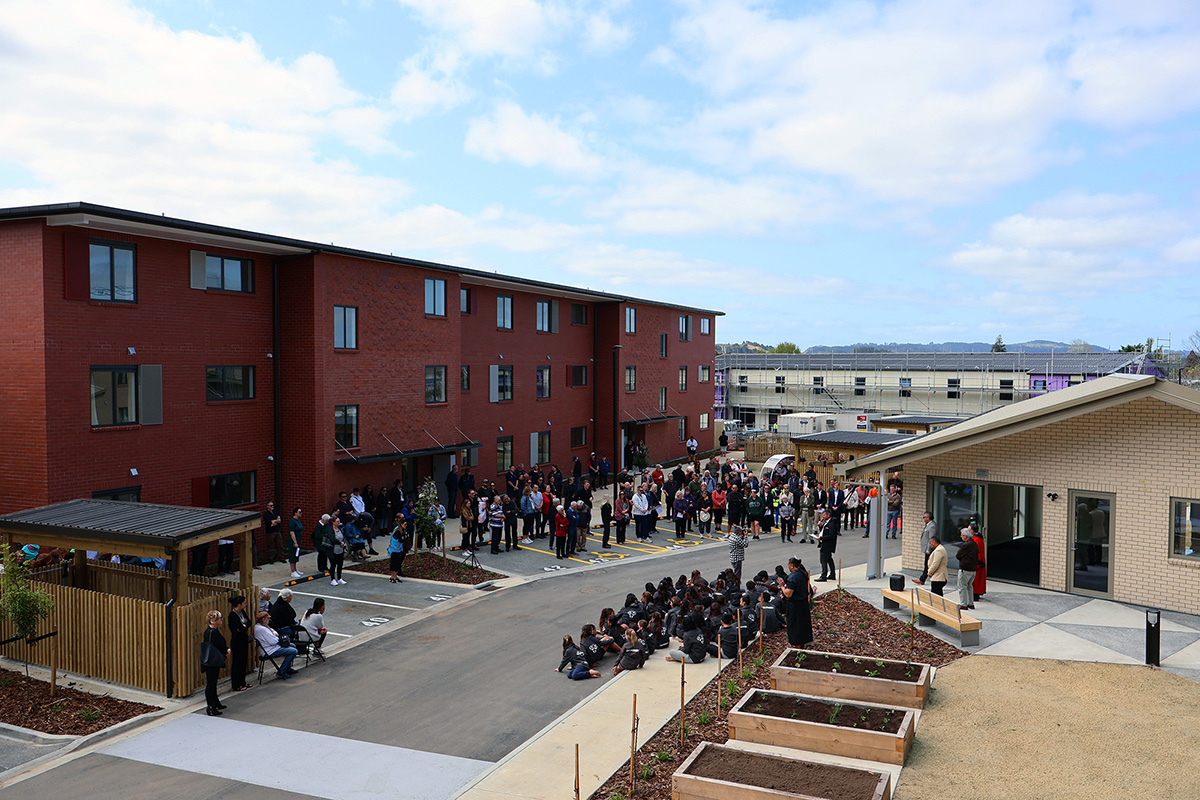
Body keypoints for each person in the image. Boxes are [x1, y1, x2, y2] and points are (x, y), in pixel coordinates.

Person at [778, 556, 814, 646]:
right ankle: (802, 646)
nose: (788, 568)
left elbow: (788, 594)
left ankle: (797, 647)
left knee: (795, 627)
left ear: (792, 566)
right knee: (803, 625)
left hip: (795, 606)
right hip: (804, 603)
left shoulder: (792, 577)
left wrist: (782, 586)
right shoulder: (803, 573)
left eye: (788, 566)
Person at [254, 611, 299, 680]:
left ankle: (287, 668)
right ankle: (282, 671)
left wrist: (274, 635)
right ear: (263, 619)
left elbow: (275, 632)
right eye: (268, 618)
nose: (269, 620)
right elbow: (273, 641)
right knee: (293, 651)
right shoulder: (262, 629)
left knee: (292, 645)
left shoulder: (262, 626)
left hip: (271, 647)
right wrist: (275, 636)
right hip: (270, 650)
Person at [200, 610, 229, 716]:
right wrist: (226, 650)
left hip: (209, 660)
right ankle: (211, 706)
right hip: (212, 661)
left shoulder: (208, 631)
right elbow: (220, 644)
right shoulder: (214, 633)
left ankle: (216, 702)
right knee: (211, 683)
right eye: (220, 618)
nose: (221, 620)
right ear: (214, 620)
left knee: (213, 682)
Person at [227, 595, 252, 692]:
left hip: (243, 640)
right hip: (237, 641)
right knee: (237, 663)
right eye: (244, 603)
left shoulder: (242, 612)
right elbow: (238, 628)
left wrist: (244, 625)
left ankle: (243, 681)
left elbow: (248, 622)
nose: (245, 604)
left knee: (243, 662)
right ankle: (236, 684)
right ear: (239, 604)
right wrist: (243, 626)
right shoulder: (232, 615)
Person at [956, 524, 980, 609]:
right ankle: (970, 603)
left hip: (965, 569)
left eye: (962, 535)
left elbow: (958, 555)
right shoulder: (974, 544)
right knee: (970, 586)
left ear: (965, 536)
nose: (961, 537)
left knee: (962, 586)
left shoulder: (966, 545)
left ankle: (964, 604)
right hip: (972, 569)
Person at [914, 511, 936, 585]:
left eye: (924, 517)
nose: (923, 519)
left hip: (929, 549)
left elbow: (931, 538)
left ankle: (922, 579)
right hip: (927, 549)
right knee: (927, 564)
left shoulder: (932, 526)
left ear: (928, 518)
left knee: (927, 564)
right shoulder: (928, 525)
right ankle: (923, 578)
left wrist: (928, 549)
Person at [815, 510, 837, 582]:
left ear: (828, 515)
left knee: (823, 560)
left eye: (824, 515)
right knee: (829, 559)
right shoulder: (826, 523)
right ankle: (832, 574)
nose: (823, 517)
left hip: (827, 544)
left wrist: (821, 538)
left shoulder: (832, 523)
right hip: (824, 543)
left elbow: (831, 535)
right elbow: (824, 531)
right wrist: (820, 526)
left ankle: (823, 575)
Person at [262, 501, 283, 565]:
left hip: (277, 531)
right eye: (271, 505)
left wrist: (274, 521)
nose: (272, 506)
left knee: (280, 545)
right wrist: (275, 521)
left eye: (273, 505)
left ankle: (281, 557)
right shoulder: (266, 515)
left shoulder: (276, 512)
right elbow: (269, 523)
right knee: (270, 546)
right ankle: (270, 559)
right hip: (270, 532)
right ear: (267, 506)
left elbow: (280, 520)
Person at [388, 518, 408, 583]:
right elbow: (401, 540)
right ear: (401, 524)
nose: (406, 526)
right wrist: (403, 538)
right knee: (394, 565)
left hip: (398, 550)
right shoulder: (398, 531)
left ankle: (395, 576)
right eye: (405, 524)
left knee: (396, 564)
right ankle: (393, 577)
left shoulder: (399, 530)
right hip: (395, 551)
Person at [329, 517, 347, 586]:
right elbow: (332, 539)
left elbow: (343, 537)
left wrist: (343, 542)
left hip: (340, 550)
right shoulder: (331, 530)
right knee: (333, 565)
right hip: (333, 550)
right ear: (333, 522)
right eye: (337, 521)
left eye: (339, 521)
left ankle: (339, 578)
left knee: (340, 564)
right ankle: (333, 579)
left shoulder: (340, 529)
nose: (339, 523)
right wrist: (340, 543)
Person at [287, 507, 304, 578]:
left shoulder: (298, 520)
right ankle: (293, 571)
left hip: (298, 540)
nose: (301, 513)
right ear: (295, 513)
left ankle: (295, 569)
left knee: (296, 555)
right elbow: (292, 533)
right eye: (299, 512)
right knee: (292, 554)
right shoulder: (292, 521)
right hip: (293, 541)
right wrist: (295, 542)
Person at [972, 524, 987, 601]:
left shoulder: (975, 540)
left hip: (976, 562)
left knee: (975, 580)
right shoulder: (979, 538)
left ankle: (975, 594)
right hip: (980, 561)